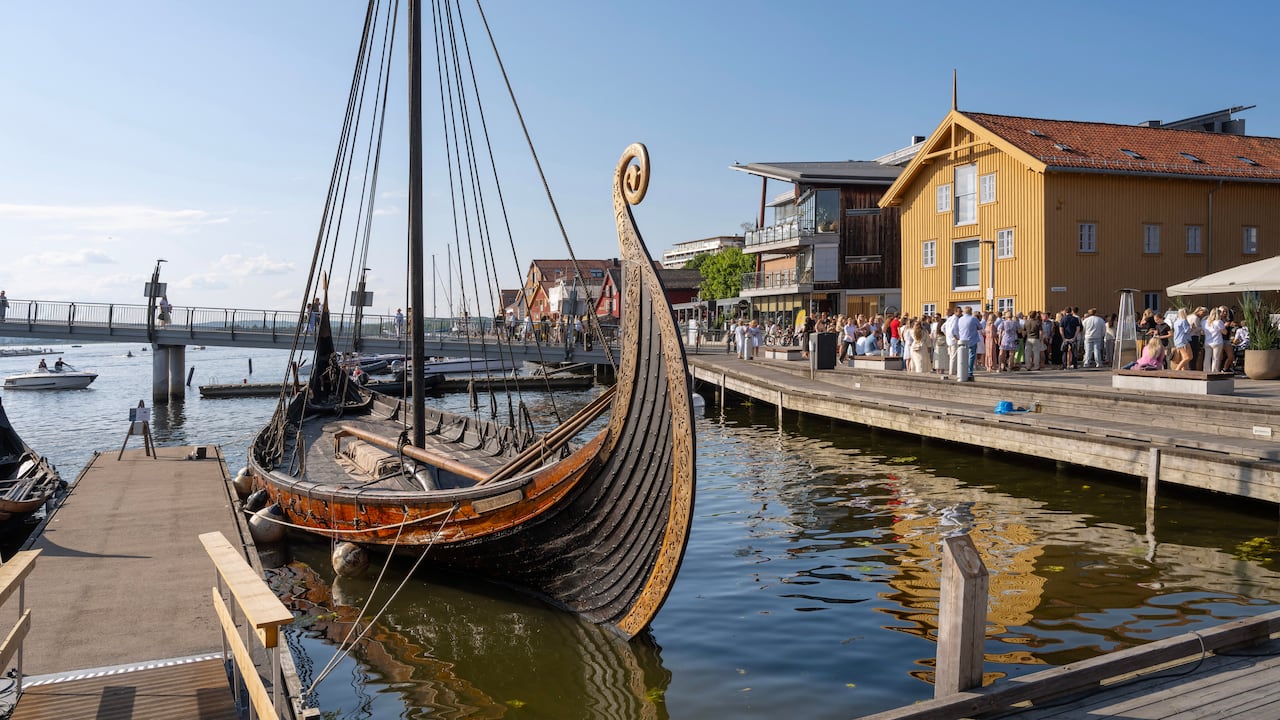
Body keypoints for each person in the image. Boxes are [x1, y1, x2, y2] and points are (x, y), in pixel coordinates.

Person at [1204, 307, 1225, 373]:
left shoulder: (1204, 322)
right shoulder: (1219, 322)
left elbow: (1202, 332)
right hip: (1217, 341)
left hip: (1208, 341)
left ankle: (1206, 371)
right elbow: (1224, 332)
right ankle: (1214, 371)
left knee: (1207, 357)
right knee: (1215, 358)